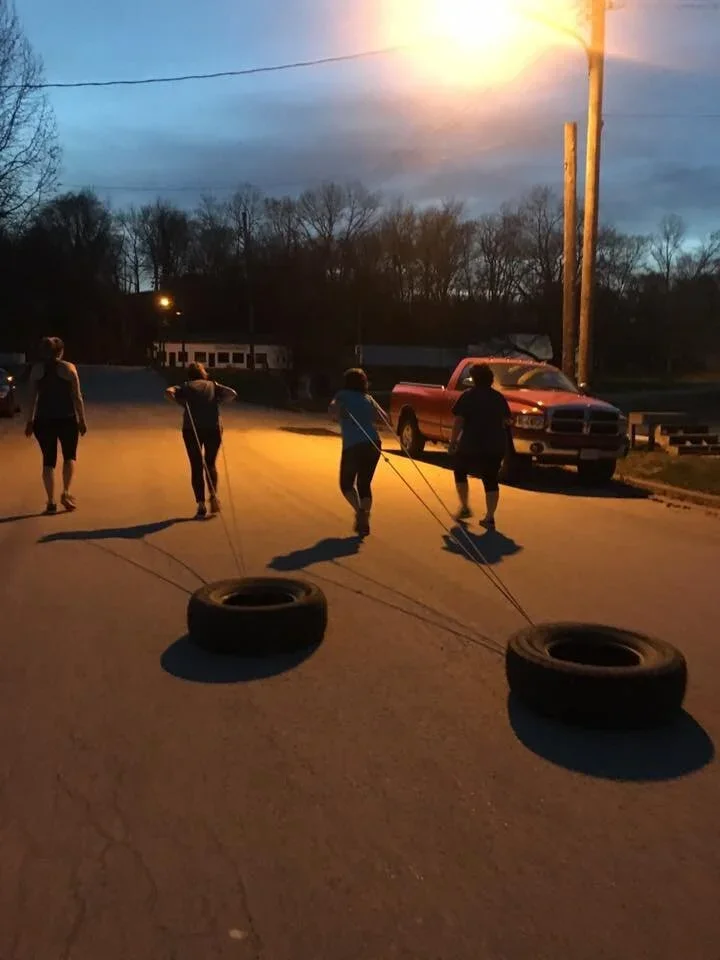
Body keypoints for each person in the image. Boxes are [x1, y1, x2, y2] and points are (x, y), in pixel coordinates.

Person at [165, 362, 237, 518]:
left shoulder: (185, 386)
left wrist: (182, 403)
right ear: (203, 373)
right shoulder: (213, 385)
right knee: (210, 463)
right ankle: (213, 496)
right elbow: (232, 393)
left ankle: (201, 504)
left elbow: (169, 392)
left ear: (190, 374)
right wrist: (217, 402)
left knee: (196, 465)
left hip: (192, 429)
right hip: (213, 429)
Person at [24, 336, 87, 514]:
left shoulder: (37, 370)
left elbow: (32, 398)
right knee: (69, 456)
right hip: (67, 419)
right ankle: (66, 492)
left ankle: (51, 502)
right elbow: (77, 397)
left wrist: (29, 421)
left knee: (48, 461)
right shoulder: (69, 368)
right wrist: (82, 420)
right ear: (61, 352)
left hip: (43, 420)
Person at [448, 362, 512, 530]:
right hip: (495, 444)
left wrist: (453, 442)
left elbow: (459, 421)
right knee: (490, 479)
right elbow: (507, 420)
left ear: (474, 379)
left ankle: (464, 507)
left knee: (460, 470)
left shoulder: (468, 396)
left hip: (471, 443)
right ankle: (490, 517)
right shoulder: (498, 397)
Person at [329, 368, 385, 537]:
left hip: (353, 445)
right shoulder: (368, 398)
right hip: (373, 444)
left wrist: (340, 412)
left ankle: (360, 512)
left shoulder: (342, 395)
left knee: (346, 484)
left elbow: (332, 411)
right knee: (364, 484)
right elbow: (383, 418)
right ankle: (364, 514)